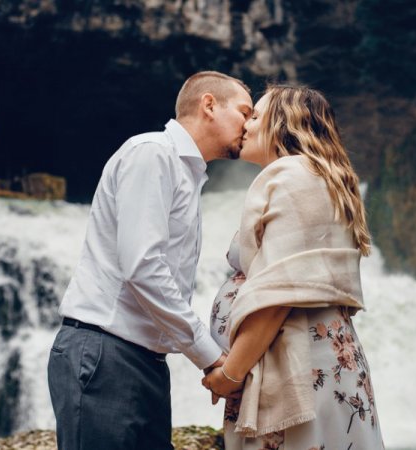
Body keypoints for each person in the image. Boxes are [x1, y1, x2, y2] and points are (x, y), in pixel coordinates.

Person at [47, 71, 253, 450]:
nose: (250, 123)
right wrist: (209, 357)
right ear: (209, 104)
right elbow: (143, 267)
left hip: (144, 361)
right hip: (105, 354)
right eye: (244, 111)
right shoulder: (153, 153)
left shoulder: (188, 175)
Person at [203, 85, 385, 449]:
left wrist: (231, 373)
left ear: (284, 124)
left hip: (299, 366)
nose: (246, 125)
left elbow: (279, 293)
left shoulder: (293, 176)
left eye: (255, 116)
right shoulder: (316, 177)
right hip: (311, 359)